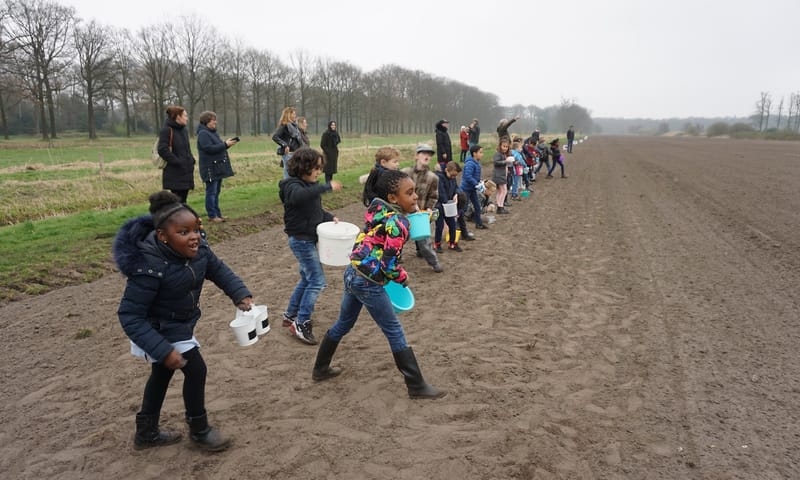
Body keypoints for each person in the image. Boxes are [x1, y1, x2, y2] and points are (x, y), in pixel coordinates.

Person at [114, 191, 254, 452]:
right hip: (157, 329)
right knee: (195, 369)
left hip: (179, 322)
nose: (195, 237)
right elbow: (130, 315)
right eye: (184, 232)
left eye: (197, 229)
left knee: (161, 375)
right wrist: (162, 349)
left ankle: (146, 433)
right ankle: (200, 431)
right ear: (163, 237)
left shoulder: (199, 250)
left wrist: (239, 294)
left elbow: (218, 270)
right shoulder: (149, 266)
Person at [311, 169, 446, 399]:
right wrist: (403, 277)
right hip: (369, 281)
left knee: (344, 323)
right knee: (394, 330)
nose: (415, 197)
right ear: (394, 198)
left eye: (415, 192)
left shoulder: (378, 209)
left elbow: (398, 225)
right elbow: (389, 266)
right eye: (410, 193)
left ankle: (320, 368)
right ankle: (416, 386)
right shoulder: (398, 224)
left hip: (353, 271)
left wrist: (425, 216)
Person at [279, 147, 343, 345]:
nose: (318, 172)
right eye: (315, 168)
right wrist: (326, 186)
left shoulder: (308, 186)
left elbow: (314, 210)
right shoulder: (291, 185)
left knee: (308, 278)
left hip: (308, 238)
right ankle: (301, 321)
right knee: (317, 281)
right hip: (301, 241)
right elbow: (299, 198)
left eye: (320, 168)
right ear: (303, 167)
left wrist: (329, 217)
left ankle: (291, 314)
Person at [401, 144, 443, 273]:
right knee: (398, 237)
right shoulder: (405, 173)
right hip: (403, 213)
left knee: (424, 241)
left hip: (419, 215)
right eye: (424, 153)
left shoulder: (433, 177)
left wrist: (429, 208)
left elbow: (433, 196)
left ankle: (434, 262)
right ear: (416, 156)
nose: (427, 156)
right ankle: (394, 262)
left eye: (429, 154)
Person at [197, 111, 238, 223]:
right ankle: (212, 215)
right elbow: (208, 148)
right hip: (210, 168)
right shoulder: (203, 134)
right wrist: (225, 144)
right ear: (206, 121)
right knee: (211, 192)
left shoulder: (213, 133)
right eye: (213, 120)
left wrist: (227, 145)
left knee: (216, 191)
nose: (215, 122)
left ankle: (217, 214)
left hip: (217, 167)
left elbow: (218, 148)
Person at [157, 106, 195, 203]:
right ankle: (176, 217)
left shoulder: (184, 130)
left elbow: (186, 149)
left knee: (183, 200)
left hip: (186, 170)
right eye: (185, 116)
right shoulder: (167, 130)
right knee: (177, 201)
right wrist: (178, 161)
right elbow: (162, 149)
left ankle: (184, 217)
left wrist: (191, 159)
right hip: (175, 172)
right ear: (178, 117)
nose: (187, 118)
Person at [434, 161, 462, 252]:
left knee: (452, 225)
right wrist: (447, 202)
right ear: (446, 170)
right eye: (452, 175)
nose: (453, 177)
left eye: (455, 176)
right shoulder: (439, 178)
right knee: (440, 225)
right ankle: (437, 244)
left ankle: (452, 243)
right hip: (440, 206)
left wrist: (456, 194)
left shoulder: (453, 178)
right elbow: (441, 193)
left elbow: (456, 187)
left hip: (449, 205)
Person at [460, 144, 488, 230]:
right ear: (474, 153)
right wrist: (476, 184)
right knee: (463, 208)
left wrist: (479, 181)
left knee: (477, 205)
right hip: (466, 189)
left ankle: (479, 223)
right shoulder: (470, 163)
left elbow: (474, 176)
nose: (482, 154)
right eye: (480, 152)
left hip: (472, 189)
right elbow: (468, 176)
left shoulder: (476, 162)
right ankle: (458, 225)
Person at [272, 107, 304, 179]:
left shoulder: (294, 126)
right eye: (293, 114)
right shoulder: (284, 125)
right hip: (288, 153)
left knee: (295, 173)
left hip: (296, 152)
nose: (295, 115)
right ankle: (286, 188)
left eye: (295, 114)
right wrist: (285, 145)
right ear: (288, 115)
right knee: (288, 173)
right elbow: (275, 137)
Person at [492, 138, 514, 214]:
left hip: (501, 175)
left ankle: (499, 207)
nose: (505, 148)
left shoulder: (503, 154)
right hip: (499, 176)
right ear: (500, 146)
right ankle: (500, 207)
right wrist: (506, 161)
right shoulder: (498, 154)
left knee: (499, 191)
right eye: (504, 146)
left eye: (506, 147)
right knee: (504, 191)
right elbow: (496, 162)